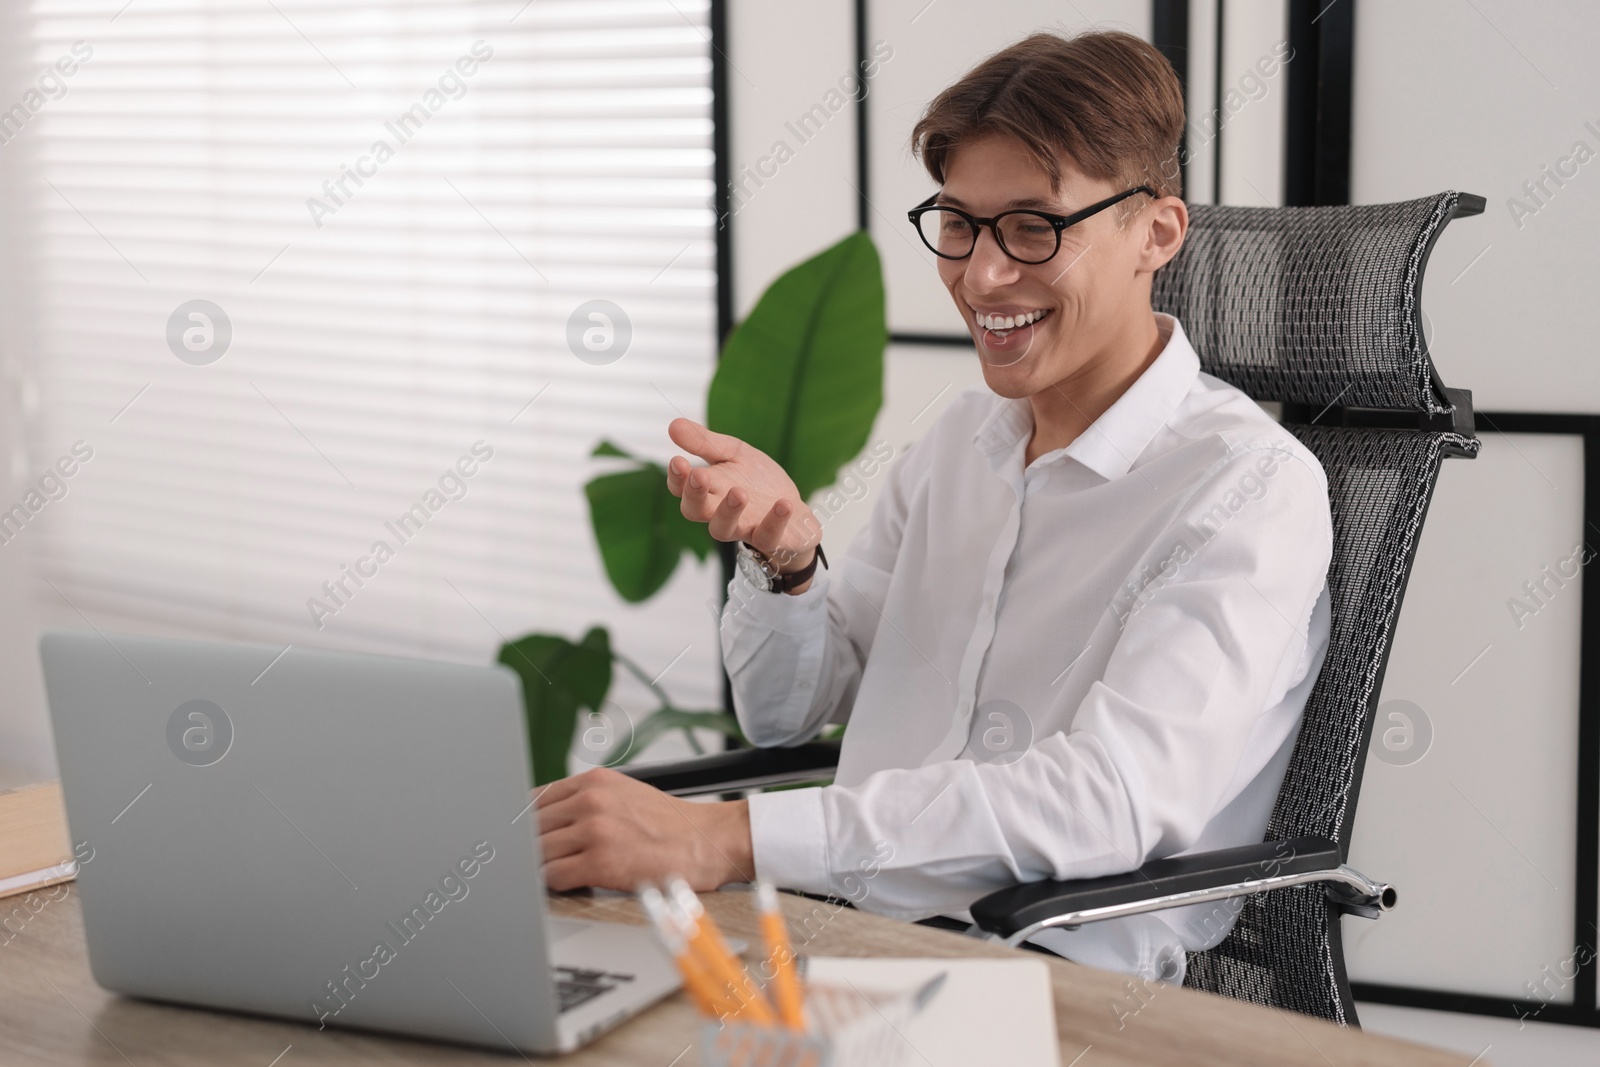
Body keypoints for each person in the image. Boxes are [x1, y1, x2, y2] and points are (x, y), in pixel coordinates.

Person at [534, 28, 1333, 984]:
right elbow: (788, 711)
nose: (982, 275)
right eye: (959, 223)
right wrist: (788, 562)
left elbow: (1113, 799)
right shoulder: (963, 439)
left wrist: (727, 839)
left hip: (1051, 982)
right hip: (840, 941)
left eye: (1034, 227)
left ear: (1155, 233)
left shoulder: (1251, 486)